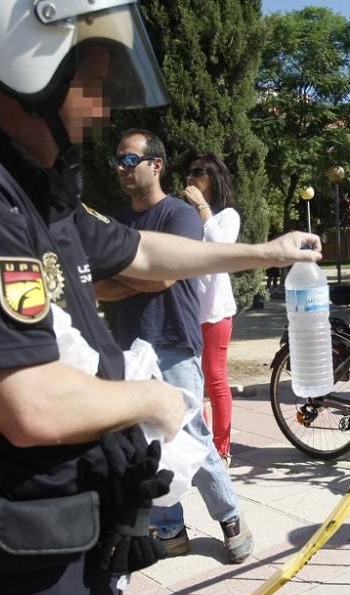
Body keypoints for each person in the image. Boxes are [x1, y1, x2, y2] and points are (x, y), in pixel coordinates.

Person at [0, 3, 319, 595]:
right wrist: (157, 401)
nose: (101, 111)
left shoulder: (28, 189)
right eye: (93, 83)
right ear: (29, 64)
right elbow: (30, 403)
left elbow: (142, 254)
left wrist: (266, 254)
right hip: (13, 568)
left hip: (63, 542)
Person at [95, 132, 252, 564]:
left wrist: (128, 273)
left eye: (130, 158)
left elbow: (164, 276)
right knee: (150, 443)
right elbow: (98, 287)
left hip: (173, 341)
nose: (122, 167)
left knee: (192, 436)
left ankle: (230, 516)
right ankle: (171, 528)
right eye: (119, 159)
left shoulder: (179, 215)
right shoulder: (117, 224)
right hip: (131, 346)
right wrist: (137, 274)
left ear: (156, 164)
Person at [182, 152, 240, 467]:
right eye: (189, 173)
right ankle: (200, 446)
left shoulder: (226, 215)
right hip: (188, 310)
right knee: (192, 381)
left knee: (215, 378)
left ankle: (221, 449)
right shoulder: (184, 215)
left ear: (213, 179)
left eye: (198, 173)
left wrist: (202, 208)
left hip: (216, 311)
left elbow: (221, 248)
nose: (191, 178)